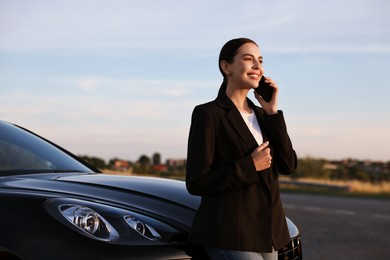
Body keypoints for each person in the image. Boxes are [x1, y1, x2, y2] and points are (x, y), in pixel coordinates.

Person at [185, 37, 297, 260]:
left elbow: (288, 165)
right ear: (226, 67)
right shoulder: (208, 114)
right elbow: (197, 181)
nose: (258, 67)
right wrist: (250, 165)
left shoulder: (264, 116)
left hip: (267, 231)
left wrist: (274, 113)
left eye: (260, 61)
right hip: (229, 233)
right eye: (248, 59)